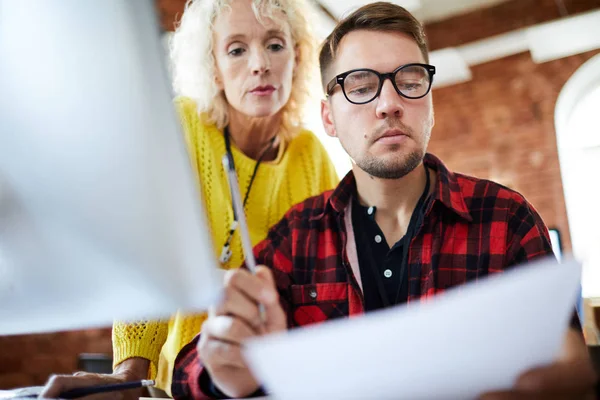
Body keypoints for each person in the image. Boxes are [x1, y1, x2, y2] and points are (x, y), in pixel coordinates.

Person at [170, 2, 598, 399]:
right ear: (328, 118)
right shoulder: (296, 237)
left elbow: (570, 361)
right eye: (360, 86)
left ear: (429, 100)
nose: (389, 104)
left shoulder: (507, 219)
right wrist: (231, 374)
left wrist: (564, 378)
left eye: (410, 81)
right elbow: (190, 369)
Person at [39, 0, 338, 398]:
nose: (259, 64)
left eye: (275, 44)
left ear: (297, 57)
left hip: (276, 381)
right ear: (214, 68)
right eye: (236, 49)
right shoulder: (181, 126)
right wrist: (130, 374)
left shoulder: (313, 155)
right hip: (184, 384)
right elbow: (150, 252)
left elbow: (329, 282)